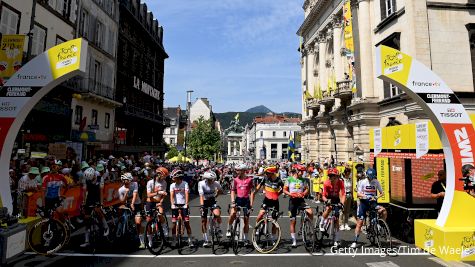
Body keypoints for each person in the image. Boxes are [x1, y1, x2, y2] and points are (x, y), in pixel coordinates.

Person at [351, 168, 387, 249]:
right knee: (360, 223)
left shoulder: (376, 181)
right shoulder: (363, 182)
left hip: (373, 203)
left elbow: (382, 193)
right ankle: (355, 241)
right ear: (367, 176)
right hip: (364, 203)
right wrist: (366, 196)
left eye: (372, 177)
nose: (371, 178)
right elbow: (358, 194)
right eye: (370, 177)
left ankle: (381, 226)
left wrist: (376, 197)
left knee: (384, 210)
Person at [284, 164, 313, 248]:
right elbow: (284, 190)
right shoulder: (289, 179)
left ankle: (309, 228)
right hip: (292, 201)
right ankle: (294, 241)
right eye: (300, 171)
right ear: (296, 171)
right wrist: (290, 194)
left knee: (310, 212)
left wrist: (304, 193)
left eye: (303, 171)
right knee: (293, 221)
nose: (302, 173)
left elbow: (307, 188)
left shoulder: (303, 180)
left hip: (301, 200)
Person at [80, 167, 109, 247]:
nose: (89, 180)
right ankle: (87, 241)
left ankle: (106, 227)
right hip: (90, 198)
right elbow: (84, 192)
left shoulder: (100, 179)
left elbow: (101, 192)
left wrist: (101, 203)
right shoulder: (86, 179)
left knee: (98, 210)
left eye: (91, 178)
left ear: (94, 175)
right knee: (87, 219)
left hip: (97, 197)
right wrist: (83, 203)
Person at [226, 163, 255, 245]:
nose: (236, 171)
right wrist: (232, 201)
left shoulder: (250, 180)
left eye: (238, 170)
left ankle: (245, 239)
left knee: (246, 219)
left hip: (246, 200)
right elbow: (232, 191)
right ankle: (228, 229)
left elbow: (252, 192)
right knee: (233, 214)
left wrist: (251, 204)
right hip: (238, 199)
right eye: (236, 170)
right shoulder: (235, 180)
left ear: (243, 171)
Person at [255, 166, 284, 243]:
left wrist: (278, 194)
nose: (266, 174)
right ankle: (257, 227)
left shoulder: (279, 180)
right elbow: (259, 186)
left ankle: (273, 237)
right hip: (266, 200)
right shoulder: (265, 178)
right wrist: (255, 190)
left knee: (274, 220)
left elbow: (284, 189)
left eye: (267, 173)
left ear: (271, 173)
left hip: (275, 201)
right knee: (260, 214)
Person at [320, 167, 346, 247]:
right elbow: (323, 195)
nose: (331, 178)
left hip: (336, 199)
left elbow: (343, 194)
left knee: (337, 219)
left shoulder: (340, 182)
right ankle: (321, 223)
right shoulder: (326, 183)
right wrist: (326, 201)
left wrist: (342, 203)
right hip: (328, 198)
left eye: (333, 176)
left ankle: (336, 239)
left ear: (337, 177)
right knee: (328, 208)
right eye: (330, 176)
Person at [145, 167, 169, 248]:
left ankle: (164, 226)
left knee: (160, 214)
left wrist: (161, 201)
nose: (165, 177)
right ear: (159, 174)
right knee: (148, 220)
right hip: (150, 202)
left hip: (158, 202)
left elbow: (163, 195)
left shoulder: (164, 182)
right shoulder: (150, 182)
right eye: (164, 175)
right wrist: (158, 192)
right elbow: (148, 195)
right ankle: (150, 239)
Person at [118, 172, 144, 248]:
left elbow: (135, 195)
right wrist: (126, 193)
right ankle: (121, 229)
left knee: (138, 222)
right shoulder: (121, 190)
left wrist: (132, 203)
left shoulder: (135, 184)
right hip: (127, 205)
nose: (129, 181)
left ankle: (142, 242)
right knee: (120, 212)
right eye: (126, 180)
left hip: (136, 204)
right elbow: (122, 201)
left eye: (129, 180)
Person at [198, 171, 223, 247]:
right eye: (211, 179)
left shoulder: (216, 183)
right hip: (204, 201)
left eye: (213, 179)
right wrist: (202, 206)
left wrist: (216, 195)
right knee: (203, 221)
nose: (213, 181)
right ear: (207, 179)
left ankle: (219, 228)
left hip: (212, 200)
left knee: (217, 213)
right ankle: (205, 239)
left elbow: (220, 191)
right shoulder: (201, 183)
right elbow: (201, 196)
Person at [169, 169, 193, 247]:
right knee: (173, 224)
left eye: (174, 177)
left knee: (186, 223)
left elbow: (186, 194)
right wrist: (172, 204)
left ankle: (190, 240)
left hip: (183, 204)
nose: (173, 179)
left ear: (178, 177)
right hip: (175, 205)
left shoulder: (185, 183)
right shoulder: (172, 185)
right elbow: (172, 195)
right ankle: (174, 240)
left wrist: (186, 203)